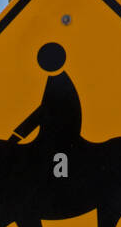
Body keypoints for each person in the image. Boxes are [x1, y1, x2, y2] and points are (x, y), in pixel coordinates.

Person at [9, 42, 82, 173]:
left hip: (59, 137)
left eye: (43, 58)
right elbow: (42, 113)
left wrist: (17, 135)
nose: (40, 62)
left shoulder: (60, 84)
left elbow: (42, 113)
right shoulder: (56, 81)